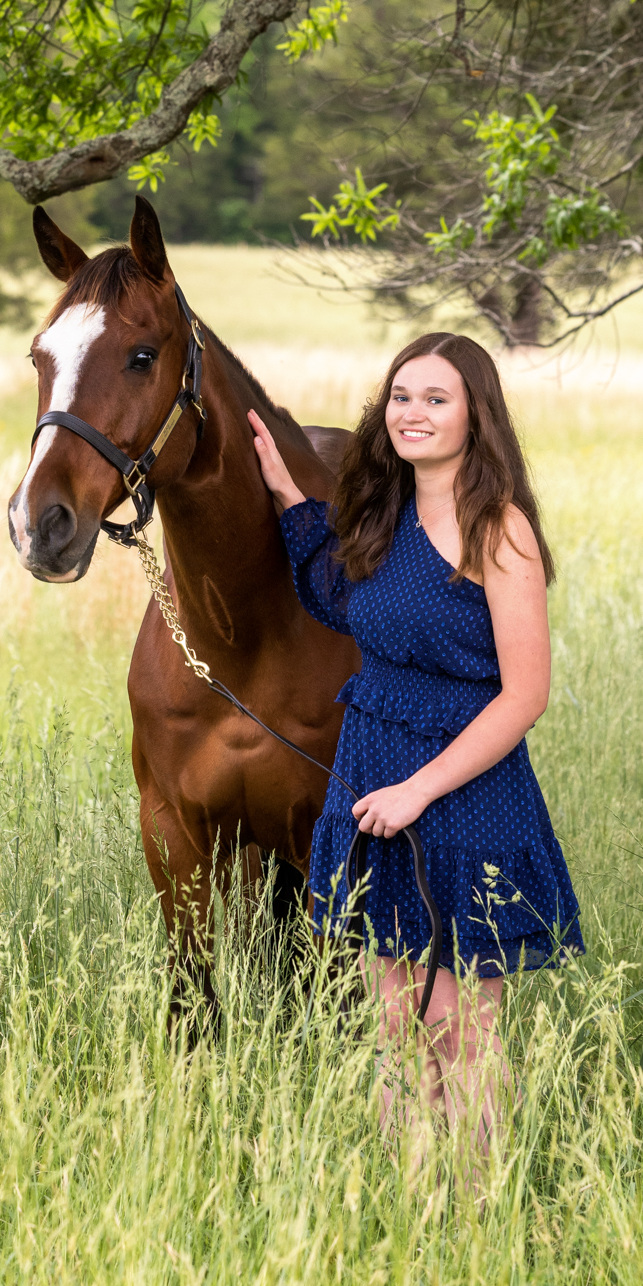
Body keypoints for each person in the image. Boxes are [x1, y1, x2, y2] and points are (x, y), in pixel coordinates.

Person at [248, 332, 581, 1153]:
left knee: (457, 1031)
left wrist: (419, 790)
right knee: (393, 1025)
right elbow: (343, 600)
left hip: (465, 794)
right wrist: (290, 497)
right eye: (402, 397)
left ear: (476, 416)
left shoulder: (498, 531)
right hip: (371, 782)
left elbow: (525, 694)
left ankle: (477, 1227)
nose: (414, 413)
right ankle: (413, 1221)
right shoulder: (379, 519)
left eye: (437, 399)